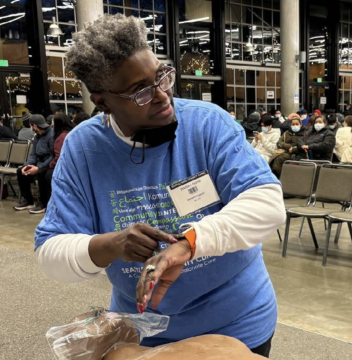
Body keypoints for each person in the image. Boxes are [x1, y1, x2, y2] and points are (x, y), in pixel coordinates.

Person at [34, 14, 285, 358]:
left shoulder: (206, 124)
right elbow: (50, 253)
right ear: (103, 101)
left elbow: (267, 203)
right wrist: (111, 244)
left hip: (237, 324)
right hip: (143, 333)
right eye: (140, 91)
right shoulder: (84, 149)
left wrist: (189, 243)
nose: (162, 96)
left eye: (162, 77)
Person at [28, 114, 77, 214]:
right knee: (24, 171)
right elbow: (33, 154)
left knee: (45, 174)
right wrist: (28, 164)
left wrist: (44, 166)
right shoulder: (70, 133)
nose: (51, 125)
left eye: (53, 123)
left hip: (60, 165)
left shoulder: (60, 137)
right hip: (65, 164)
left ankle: (47, 203)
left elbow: (57, 157)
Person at [13, 114, 54, 212]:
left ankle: (43, 203)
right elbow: (33, 154)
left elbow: (53, 156)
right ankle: (28, 200)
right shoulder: (37, 136)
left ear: (34, 126)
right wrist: (27, 165)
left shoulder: (51, 135)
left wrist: (38, 167)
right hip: (39, 163)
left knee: (41, 172)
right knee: (21, 171)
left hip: (49, 164)